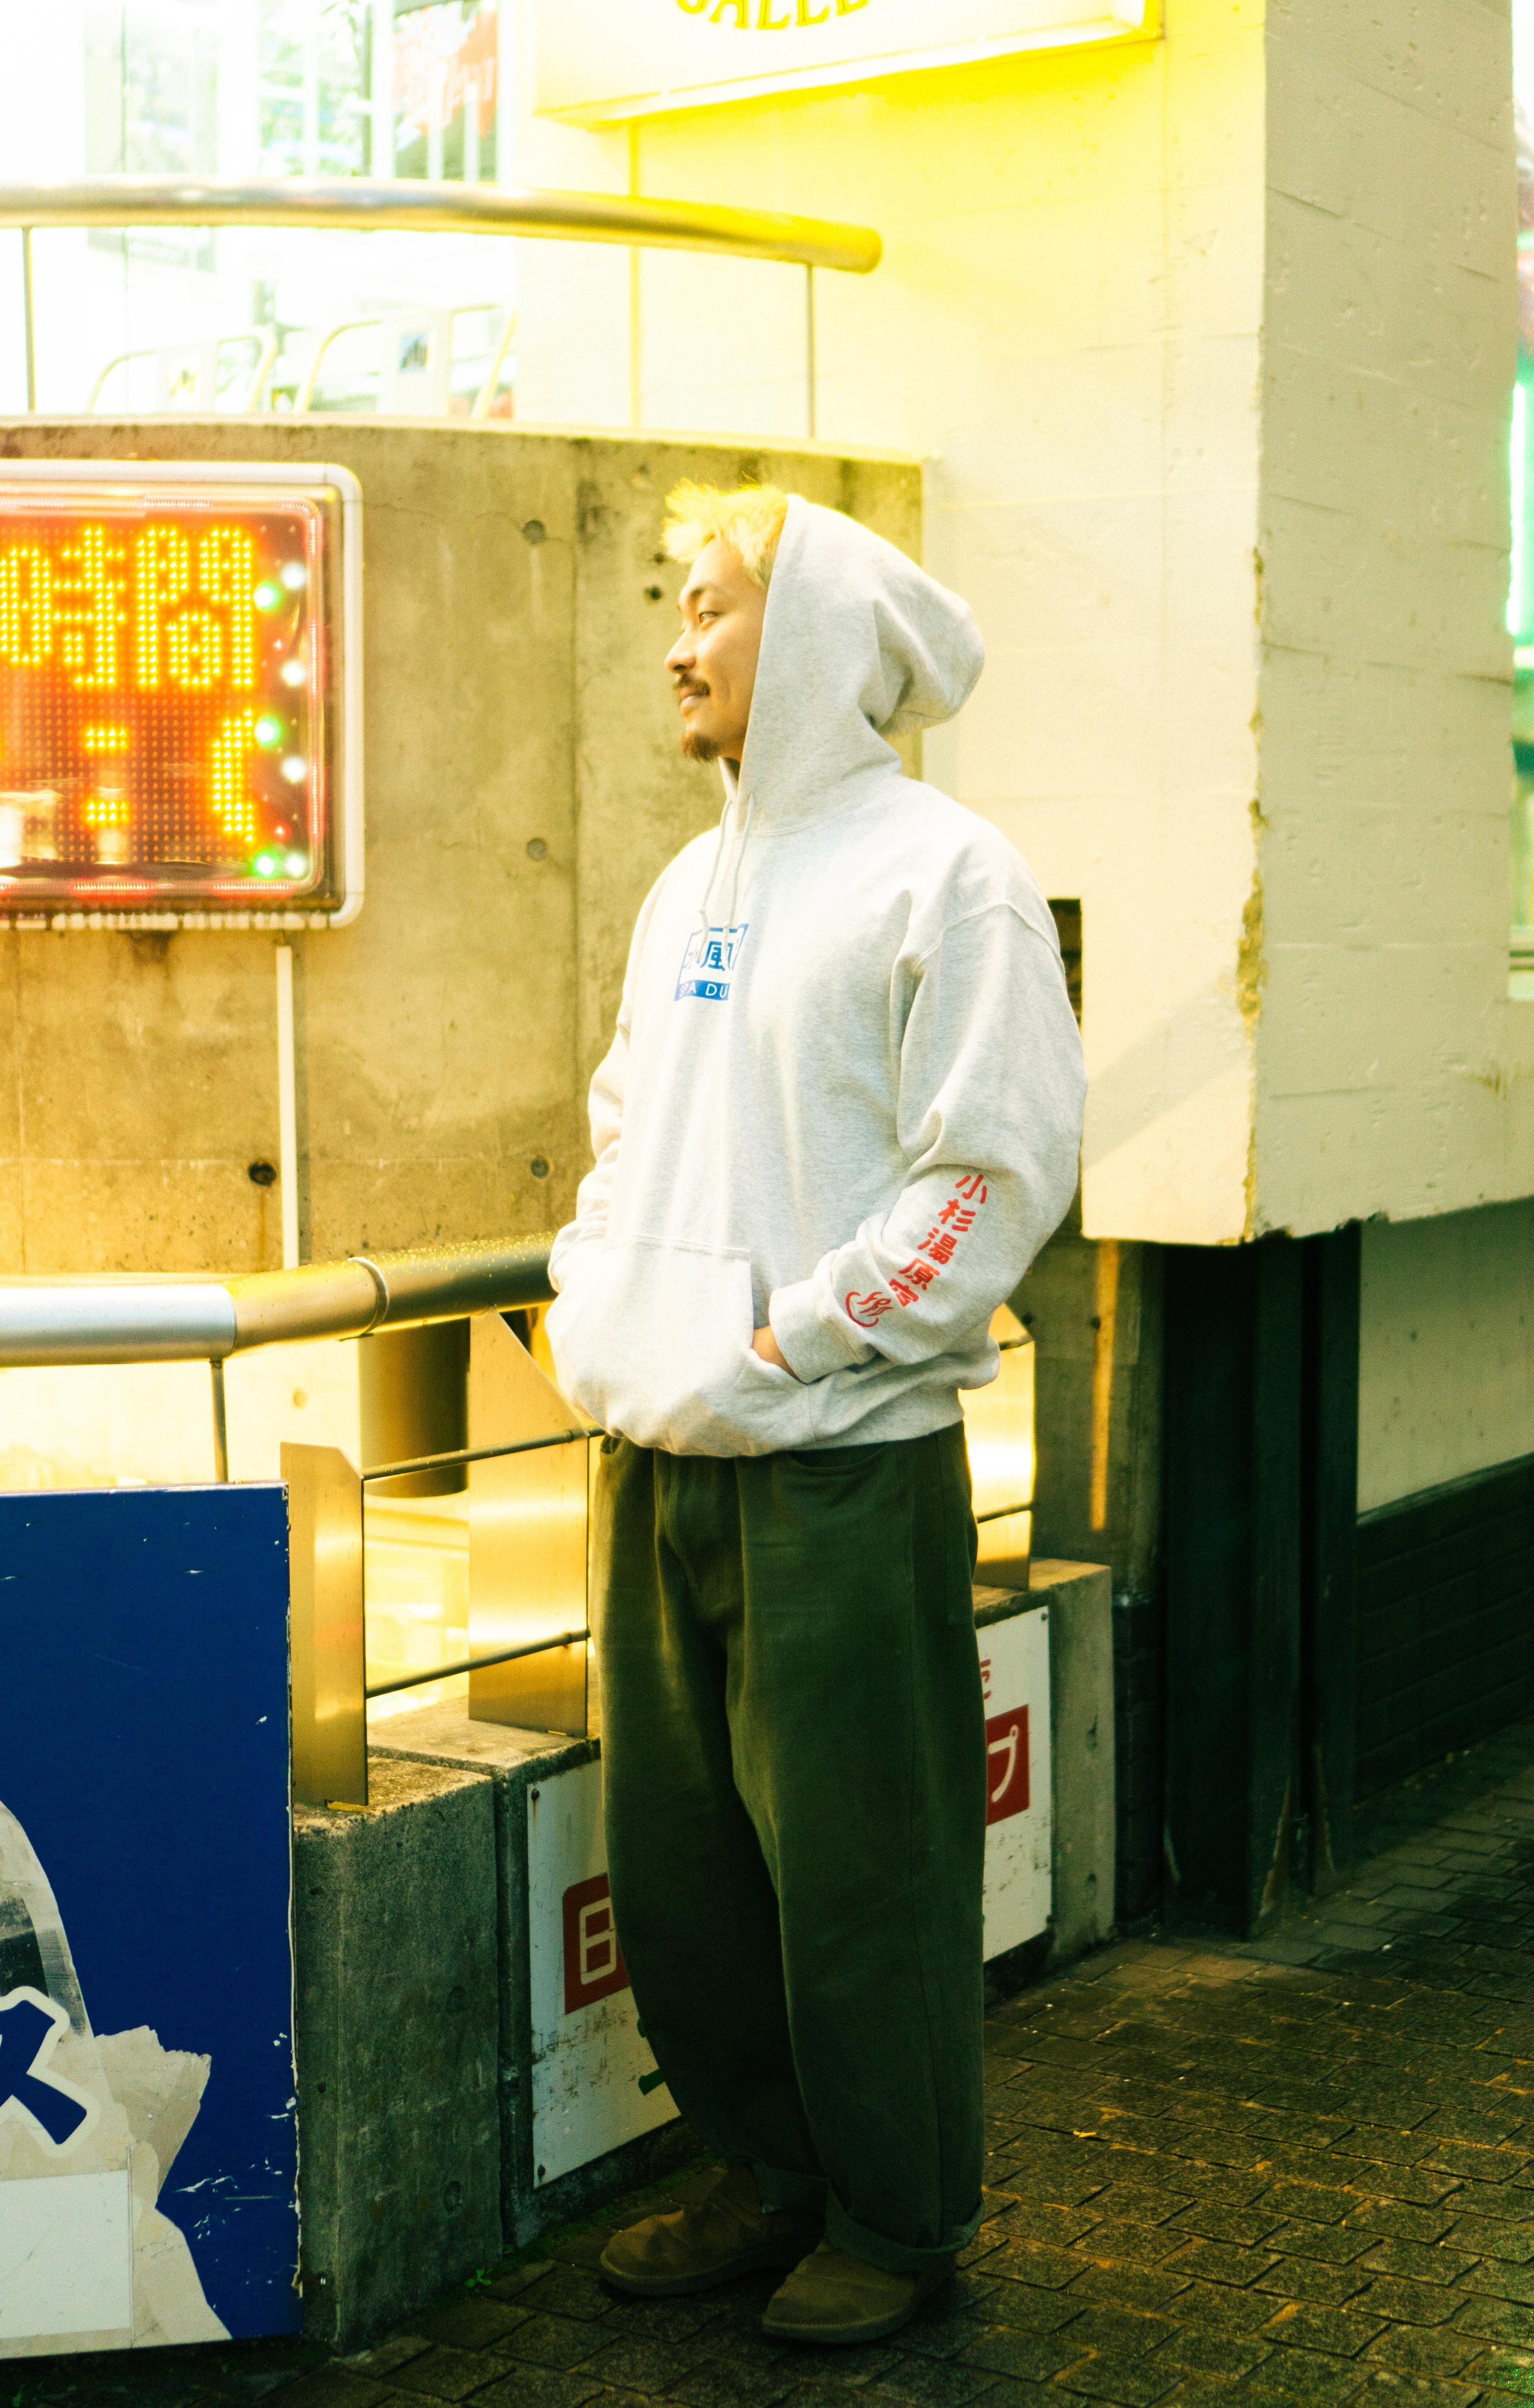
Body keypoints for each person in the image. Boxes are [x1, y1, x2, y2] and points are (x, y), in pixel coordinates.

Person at [545, 484, 1085, 2346]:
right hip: (653, 1453)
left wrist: (788, 1343)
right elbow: (625, 1131)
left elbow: (991, 1168)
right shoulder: (683, 887)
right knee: (685, 1877)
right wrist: (597, 1308)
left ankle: (896, 2216)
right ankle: (766, 2173)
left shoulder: (947, 873)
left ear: (821, 639)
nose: (676, 646)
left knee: (864, 1873)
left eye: (708, 606)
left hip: (840, 1468)